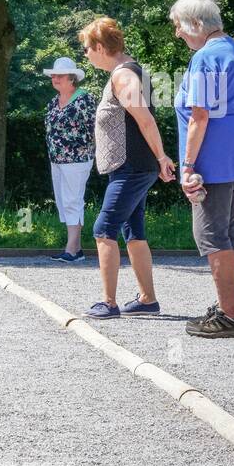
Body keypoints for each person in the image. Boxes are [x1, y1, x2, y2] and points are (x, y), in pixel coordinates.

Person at [170, 0, 234, 338]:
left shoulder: (207, 56)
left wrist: (187, 166)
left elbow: (200, 115)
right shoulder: (231, 47)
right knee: (225, 233)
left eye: (179, 25)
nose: (177, 33)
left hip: (214, 156)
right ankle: (227, 309)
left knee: (210, 234)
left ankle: (231, 316)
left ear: (196, 23)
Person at [78, 17, 176, 317]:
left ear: (98, 47)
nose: (86, 54)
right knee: (133, 231)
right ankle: (147, 299)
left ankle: (108, 303)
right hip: (131, 166)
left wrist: (161, 158)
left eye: (86, 49)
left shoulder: (123, 76)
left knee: (103, 230)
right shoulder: (130, 71)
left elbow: (145, 119)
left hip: (131, 166)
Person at [42, 56, 97, 262]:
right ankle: (77, 248)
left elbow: (95, 129)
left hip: (78, 158)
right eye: (53, 75)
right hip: (57, 159)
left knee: (73, 200)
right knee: (63, 202)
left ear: (71, 78)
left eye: (59, 75)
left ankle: (71, 249)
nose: (55, 78)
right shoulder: (53, 102)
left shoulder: (85, 99)